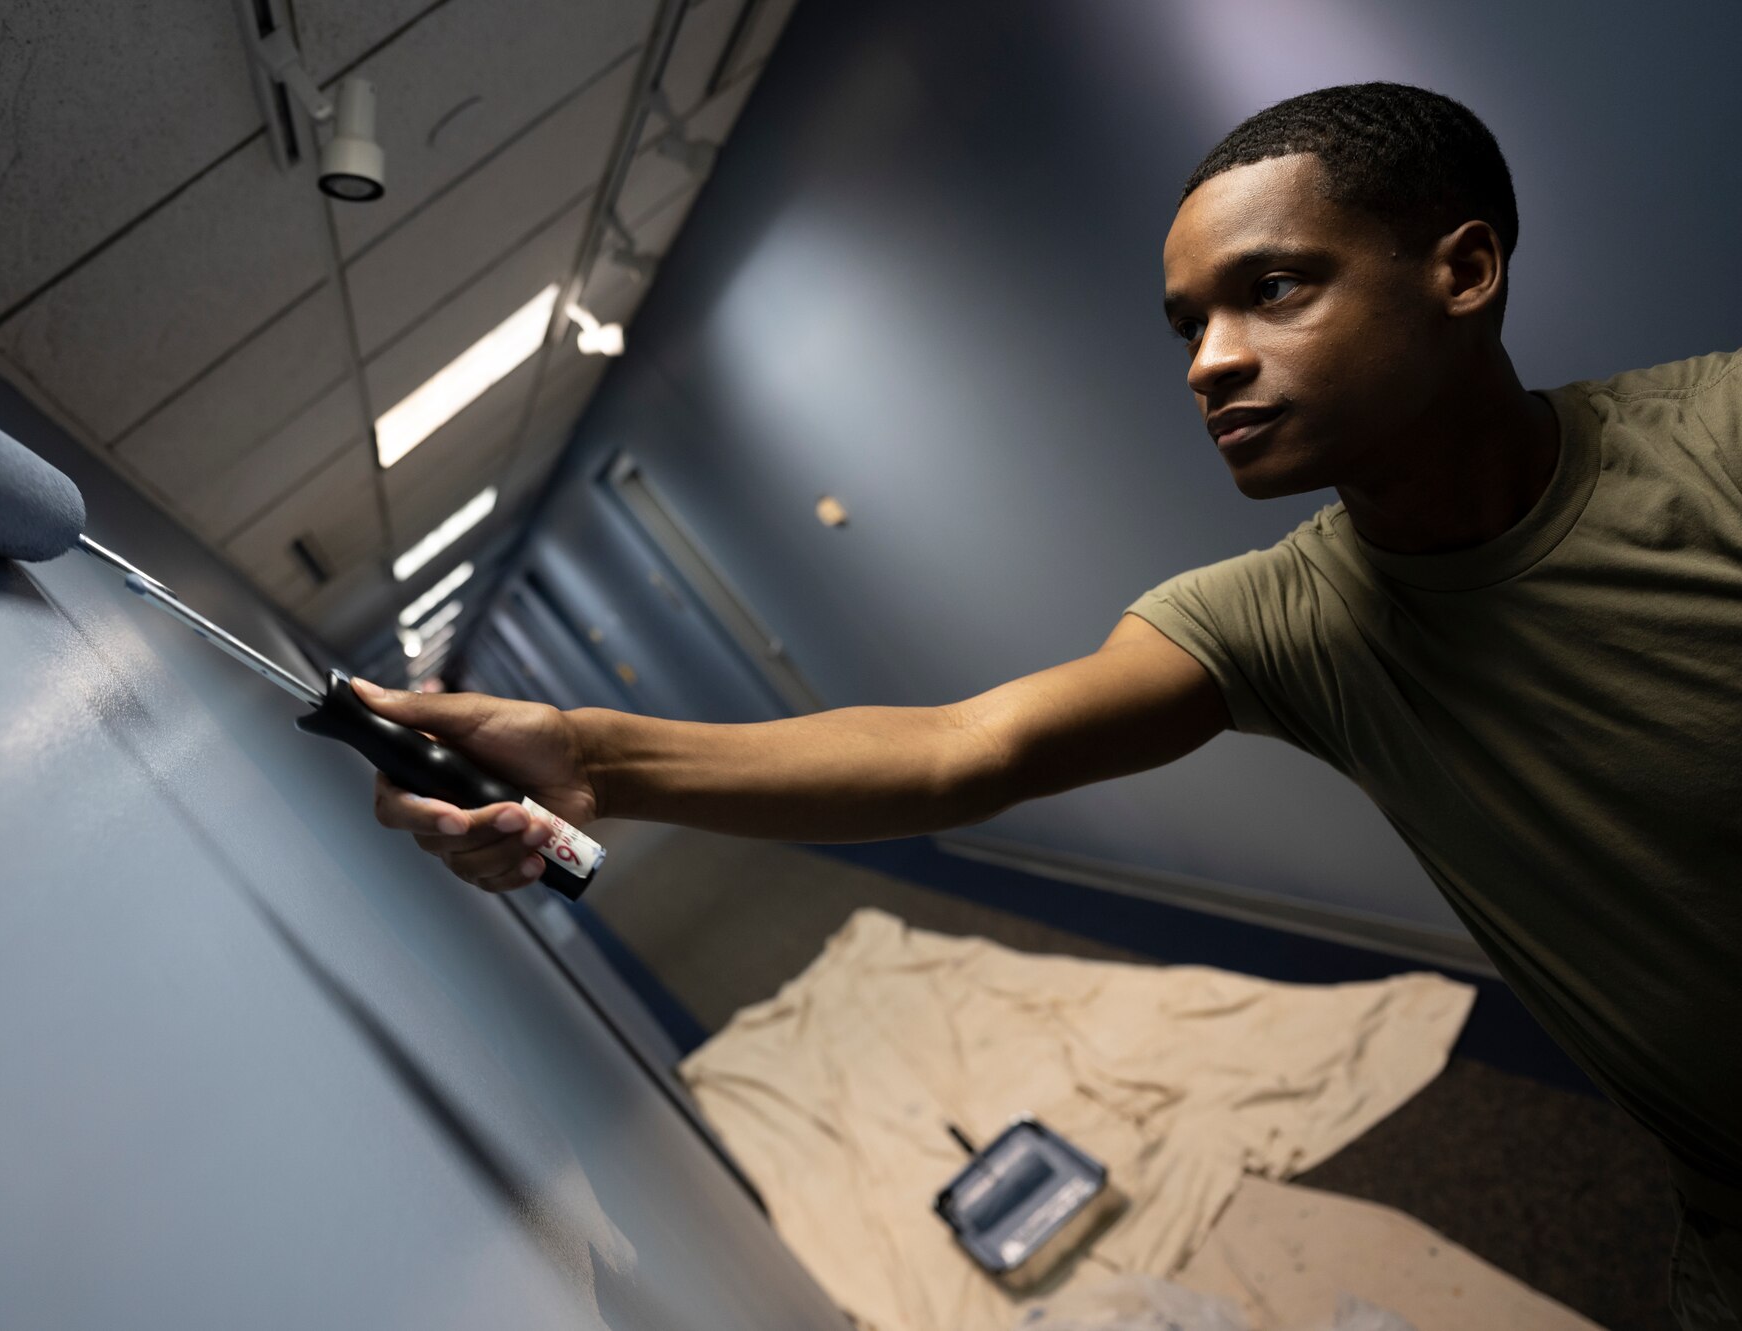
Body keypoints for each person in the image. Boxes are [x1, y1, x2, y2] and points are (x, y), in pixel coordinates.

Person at [349, 83, 1740, 1326]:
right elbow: (969, 747)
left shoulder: (1717, 446)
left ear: (1465, 270)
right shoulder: (1282, 617)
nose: (1211, 360)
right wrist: (594, 759)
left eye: (1273, 290)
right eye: (1190, 322)